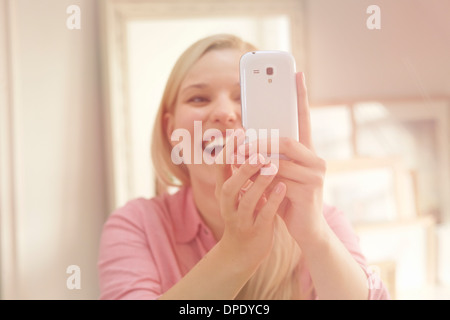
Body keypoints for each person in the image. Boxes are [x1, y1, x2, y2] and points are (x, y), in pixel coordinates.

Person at [97, 34, 390, 300]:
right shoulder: (138, 225)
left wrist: (315, 235)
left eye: (243, 98)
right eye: (199, 98)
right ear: (171, 128)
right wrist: (235, 254)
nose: (224, 114)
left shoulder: (323, 221)